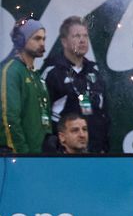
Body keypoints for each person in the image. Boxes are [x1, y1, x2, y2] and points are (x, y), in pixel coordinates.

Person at [40, 15, 105, 154]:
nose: (82, 40)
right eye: (76, 36)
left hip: (94, 154)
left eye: (85, 36)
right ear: (64, 41)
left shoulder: (94, 71)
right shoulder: (52, 71)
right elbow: (41, 115)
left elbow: (104, 113)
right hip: (62, 155)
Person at [1, 18, 49, 154]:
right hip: (21, 159)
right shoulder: (12, 72)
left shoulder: (36, 76)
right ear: (21, 41)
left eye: (44, 39)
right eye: (37, 39)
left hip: (38, 157)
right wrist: (22, 154)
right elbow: (9, 118)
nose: (42, 43)